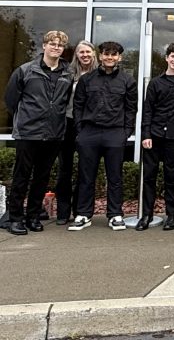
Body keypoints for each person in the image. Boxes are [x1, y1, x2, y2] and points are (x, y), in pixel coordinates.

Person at [5, 30, 72, 235]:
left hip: (53, 134)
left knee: (42, 178)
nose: (56, 47)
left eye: (60, 45)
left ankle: (33, 216)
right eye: (52, 44)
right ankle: (15, 218)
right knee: (21, 177)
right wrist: (27, 117)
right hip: (28, 133)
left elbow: (65, 102)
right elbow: (11, 100)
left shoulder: (67, 74)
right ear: (44, 46)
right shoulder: (25, 71)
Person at [70, 40, 137, 232]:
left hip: (115, 133)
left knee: (115, 177)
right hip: (89, 132)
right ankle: (83, 214)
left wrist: (125, 133)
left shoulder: (127, 81)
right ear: (100, 56)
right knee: (86, 176)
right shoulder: (87, 80)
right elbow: (78, 106)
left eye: (114, 54)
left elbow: (131, 109)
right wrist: (80, 131)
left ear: (119, 58)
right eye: (106, 54)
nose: (110, 57)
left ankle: (115, 214)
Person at [138, 42, 174, 231]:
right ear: (167, 58)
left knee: (172, 177)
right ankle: (147, 215)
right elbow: (148, 110)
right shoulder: (155, 83)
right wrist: (145, 134)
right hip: (153, 135)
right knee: (149, 177)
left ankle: (172, 216)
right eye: (172, 56)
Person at [55, 40, 96, 225]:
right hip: (69, 123)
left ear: (94, 53)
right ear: (76, 55)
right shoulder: (67, 73)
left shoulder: (99, 74)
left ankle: (81, 209)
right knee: (65, 169)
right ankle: (63, 212)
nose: (85, 55)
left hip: (90, 125)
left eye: (88, 51)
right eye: (81, 52)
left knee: (85, 170)